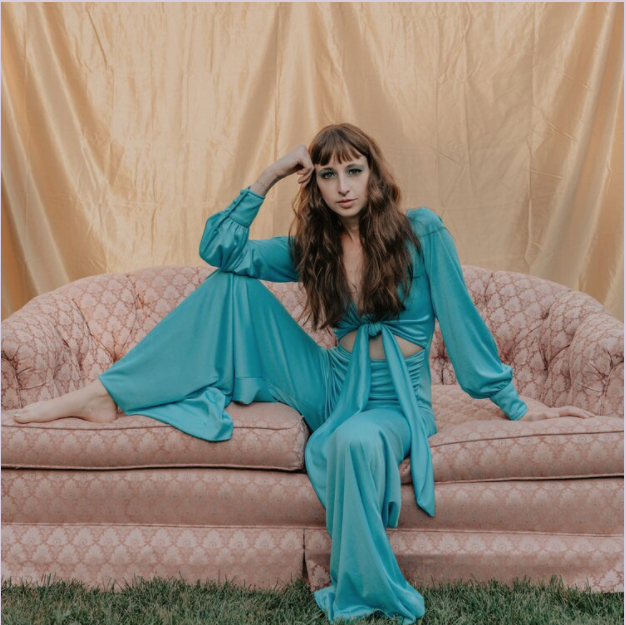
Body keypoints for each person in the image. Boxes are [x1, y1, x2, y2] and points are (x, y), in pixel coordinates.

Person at [13, 123, 594, 624]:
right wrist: (268, 174)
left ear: (374, 175)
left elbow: (465, 331)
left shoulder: (423, 232)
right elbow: (219, 249)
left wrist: (517, 404)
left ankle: (366, 588)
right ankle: (105, 393)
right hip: (332, 383)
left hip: (396, 404)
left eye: (354, 171)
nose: (342, 186)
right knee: (228, 291)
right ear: (312, 183)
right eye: (327, 174)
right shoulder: (310, 246)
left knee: (351, 440)